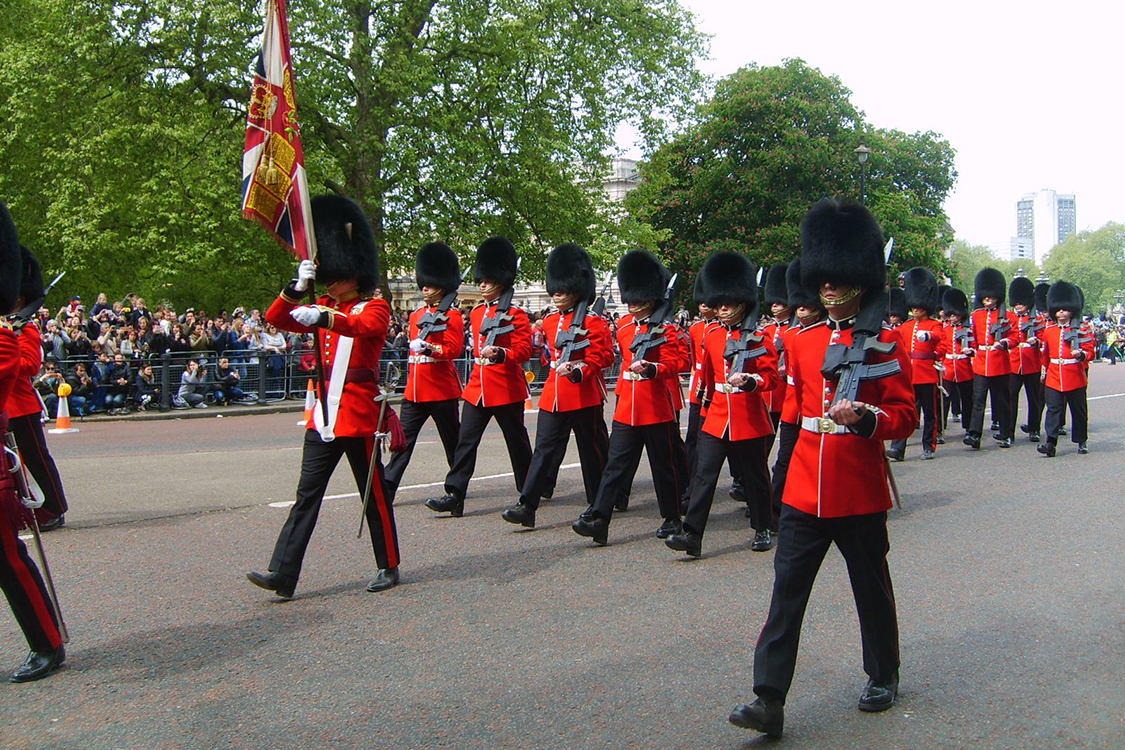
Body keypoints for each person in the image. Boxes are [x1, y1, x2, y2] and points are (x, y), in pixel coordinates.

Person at [730, 198, 914, 738]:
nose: (828, 286)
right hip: (805, 487)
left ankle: (883, 673)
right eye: (823, 278)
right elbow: (792, 411)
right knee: (786, 594)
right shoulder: (800, 341)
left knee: (870, 589)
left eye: (839, 277)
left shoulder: (886, 341)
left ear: (860, 278)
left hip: (857, 487)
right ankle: (768, 697)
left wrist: (867, 418)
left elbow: (904, 415)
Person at [247, 194, 400, 598]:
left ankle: (388, 564)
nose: (330, 281)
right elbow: (276, 319)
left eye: (336, 273)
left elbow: (358, 327)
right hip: (324, 416)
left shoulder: (375, 307)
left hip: (359, 415)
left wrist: (323, 316)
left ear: (355, 272)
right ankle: (283, 573)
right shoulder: (325, 303)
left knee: (374, 496)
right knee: (306, 497)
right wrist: (297, 289)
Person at [666, 251, 778, 557]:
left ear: (743, 302)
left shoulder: (759, 337)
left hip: (748, 416)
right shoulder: (713, 335)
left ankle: (763, 526)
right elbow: (708, 376)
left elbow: (771, 377)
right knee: (704, 474)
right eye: (719, 303)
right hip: (716, 415)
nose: (722, 308)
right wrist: (703, 411)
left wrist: (751, 381)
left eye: (728, 302)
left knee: (755, 475)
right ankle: (692, 534)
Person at [571, 249, 686, 545]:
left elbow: (675, 364)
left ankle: (672, 517)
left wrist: (652, 369)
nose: (632, 302)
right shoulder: (623, 327)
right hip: (627, 406)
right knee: (614, 465)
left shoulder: (665, 329)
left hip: (655, 405)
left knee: (663, 466)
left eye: (637, 297)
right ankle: (600, 518)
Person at [501, 243, 613, 528]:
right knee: (543, 449)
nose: (557, 294)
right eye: (555, 289)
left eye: (562, 289)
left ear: (576, 289)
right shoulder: (550, 321)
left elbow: (604, 357)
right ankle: (527, 505)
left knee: (591, 451)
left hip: (583, 394)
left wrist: (579, 369)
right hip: (554, 393)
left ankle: (598, 505)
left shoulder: (594, 322)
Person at [0, 200, 66, 682]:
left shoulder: (9, 335)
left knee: (6, 556)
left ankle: (46, 641)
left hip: (17, 413)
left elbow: (20, 369)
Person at [424, 237, 533, 518]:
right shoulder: (475, 313)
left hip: (506, 387)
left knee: (517, 443)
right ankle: (455, 494)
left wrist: (500, 353)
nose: (482, 285)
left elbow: (523, 350)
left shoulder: (516, 314)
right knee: (465, 442)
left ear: (501, 282)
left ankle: (529, 491)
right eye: (481, 281)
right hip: (477, 387)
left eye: (487, 281)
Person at [382, 242, 465, 502]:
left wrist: (429, 348)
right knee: (402, 441)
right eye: (424, 284)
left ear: (441, 286)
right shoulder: (416, 314)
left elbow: (453, 349)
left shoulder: (452, 316)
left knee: (452, 443)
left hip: (441, 389)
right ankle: (387, 487)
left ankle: (457, 489)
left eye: (429, 285)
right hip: (415, 389)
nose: (424, 288)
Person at [7, 245, 70, 532]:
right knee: (10, 464)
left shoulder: (25, 328)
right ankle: (19, 507)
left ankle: (55, 508)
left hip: (22, 407)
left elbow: (30, 365)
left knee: (36, 460)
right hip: (5, 406)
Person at [885, 267, 946, 461]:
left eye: (920, 306)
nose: (916, 309)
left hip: (927, 374)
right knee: (904, 411)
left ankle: (929, 446)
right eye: (914, 306)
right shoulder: (906, 326)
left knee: (930, 413)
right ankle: (897, 448)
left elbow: (941, 343)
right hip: (909, 375)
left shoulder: (935, 325)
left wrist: (929, 337)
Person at [1037, 281, 1094, 457]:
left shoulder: (1082, 329)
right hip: (1054, 375)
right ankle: (1050, 443)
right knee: (1053, 410)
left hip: (1074, 375)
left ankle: (1081, 440)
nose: (1061, 311)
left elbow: (1090, 351)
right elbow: (1045, 355)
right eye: (1058, 309)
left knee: (1078, 410)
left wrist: (1081, 355)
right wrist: (1044, 372)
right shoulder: (1049, 330)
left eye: (1065, 309)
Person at [963, 267, 1017, 450]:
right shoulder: (976, 315)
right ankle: (974, 434)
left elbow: (1015, 337)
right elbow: (973, 337)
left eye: (990, 296)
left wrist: (1005, 343)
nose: (987, 298)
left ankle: (1006, 434)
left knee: (1002, 400)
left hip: (999, 362)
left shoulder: (1008, 316)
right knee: (978, 399)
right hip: (981, 363)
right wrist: (970, 349)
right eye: (985, 296)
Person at [1008, 276, 1044, 442]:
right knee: (1010, 399)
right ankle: (1009, 432)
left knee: (1034, 399)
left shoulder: (1038, 319)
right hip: (1014, 364)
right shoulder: (1009, 318)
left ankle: (1034, 429)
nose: (1018, 306)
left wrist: (1037, 342)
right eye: (1016, 303)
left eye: (1021, 303)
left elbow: (1043, 339)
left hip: (1032, 363)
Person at [941, 288, 975, 436]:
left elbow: (975, 346)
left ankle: (968, 426)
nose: (953, 317)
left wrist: (971, 352)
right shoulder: (945, 329)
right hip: (948, 368)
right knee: (944, 399)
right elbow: (942, 348)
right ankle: (940, 428)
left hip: (964, 368)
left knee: (967, 399)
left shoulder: (969, 329)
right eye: (951, 314)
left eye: (956, 314)